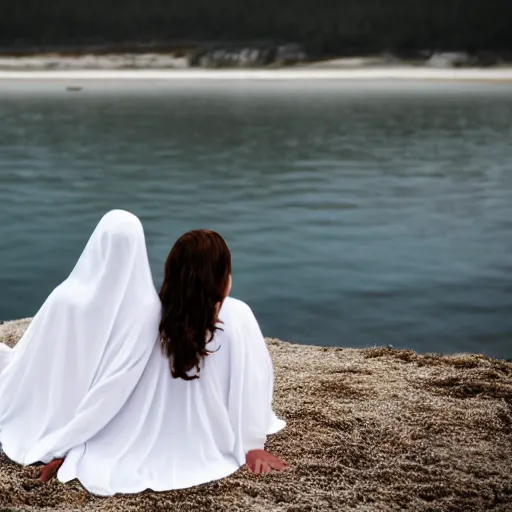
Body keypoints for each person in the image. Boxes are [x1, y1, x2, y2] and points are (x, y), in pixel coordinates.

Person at [0, 210, 287, 495]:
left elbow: (114, 388)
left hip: (85, 422)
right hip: (204, 447)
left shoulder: (148, 318)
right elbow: (254, 383)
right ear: (224, 278)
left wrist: (68, 445)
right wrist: (251, 445)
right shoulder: (236, 316)